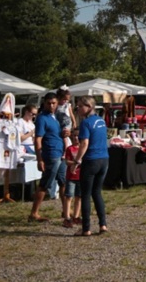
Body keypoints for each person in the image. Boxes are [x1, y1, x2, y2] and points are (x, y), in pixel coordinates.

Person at [73, 95, 110, 236]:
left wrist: (77, 161)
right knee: (97, 192)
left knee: (86, 194)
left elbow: (84, 143)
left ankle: (86, 228)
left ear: (89, 107)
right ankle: (103, 225)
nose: (78, 109)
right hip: (104, 159)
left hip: (91, 160)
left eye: (80, 106)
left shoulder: (86, 123)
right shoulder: (101, 121)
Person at [29, 92, 65, 222]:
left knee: (63, 182)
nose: (51, 105)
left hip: (60, 153)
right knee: (45, 183)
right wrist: (39, 159)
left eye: (54, 103)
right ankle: (34, 212)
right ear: (44, 103)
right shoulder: (42, 118)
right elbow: (38, 139)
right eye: (49, 103)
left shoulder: (55, 117)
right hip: (50, 154)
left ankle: (65, 210)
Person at [0, 93, 22, 205]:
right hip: (2, 146)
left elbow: (17, 134)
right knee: (2, 165)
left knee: (9, 167)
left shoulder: (15, 123)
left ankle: (7, 193)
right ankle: (4, 193)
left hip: (10, 147)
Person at [63, 127, 82, 226]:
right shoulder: (70, 149)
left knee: (79, 197)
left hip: (80, 176)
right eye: (74, 135)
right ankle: (67, 217)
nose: (76, 138)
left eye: (78, 136)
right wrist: (76, 162)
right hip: (71, 177)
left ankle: (76, 216)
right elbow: (67, 161)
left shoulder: (83, 148)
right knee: (69, 196)